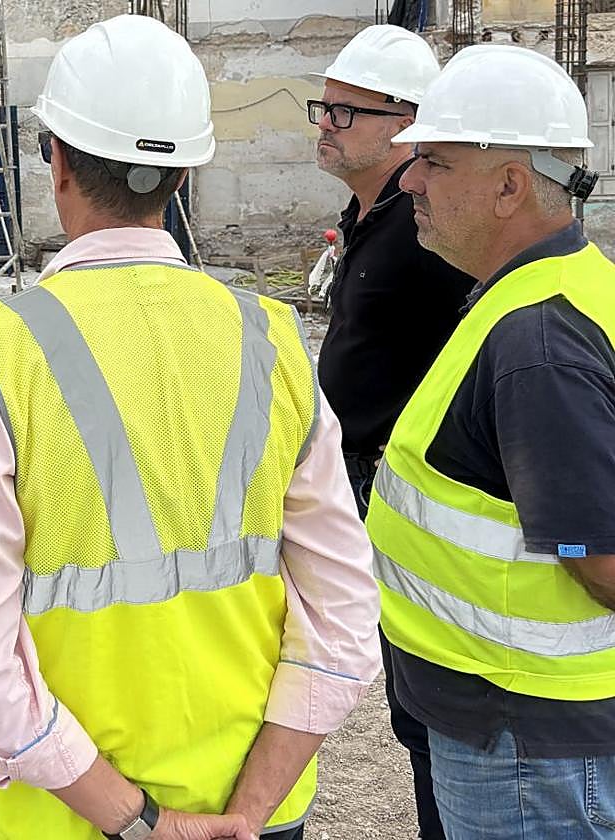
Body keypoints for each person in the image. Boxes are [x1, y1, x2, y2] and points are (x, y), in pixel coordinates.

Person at [0, 15, 381, 840]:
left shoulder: (0, 353)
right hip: (258, 812)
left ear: (57, 161)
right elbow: (345, 621)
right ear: (181, 176)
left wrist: (141, 821)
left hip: (74, 821)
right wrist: (248, 812)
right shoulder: (270, 339)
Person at [366, 44, 615, 839]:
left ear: (510, 185)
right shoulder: (561, 288)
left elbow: (599, 558)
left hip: (527, 742)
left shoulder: (539, 340)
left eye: (434, 162)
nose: (409, 180)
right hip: (513, 722)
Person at [308, 24, 475, 839]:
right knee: (408, 689)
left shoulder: (427, 233)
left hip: (406, 485)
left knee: (430, 692)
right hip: (362, 478)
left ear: (405, 123)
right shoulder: (373, 215)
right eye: (323, 107)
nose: (325, 124)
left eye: (346, 112)